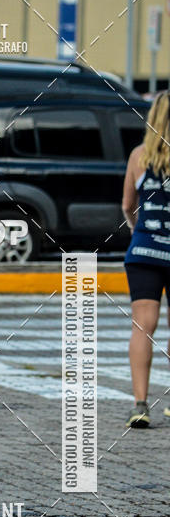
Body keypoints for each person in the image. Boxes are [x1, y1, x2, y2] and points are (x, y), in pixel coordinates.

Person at [122, 90, 170, 427]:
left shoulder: (139, 156)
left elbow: (128, 205)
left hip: (143, 251)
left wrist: (138, 228)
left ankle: (140, 405)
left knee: (143, 326)